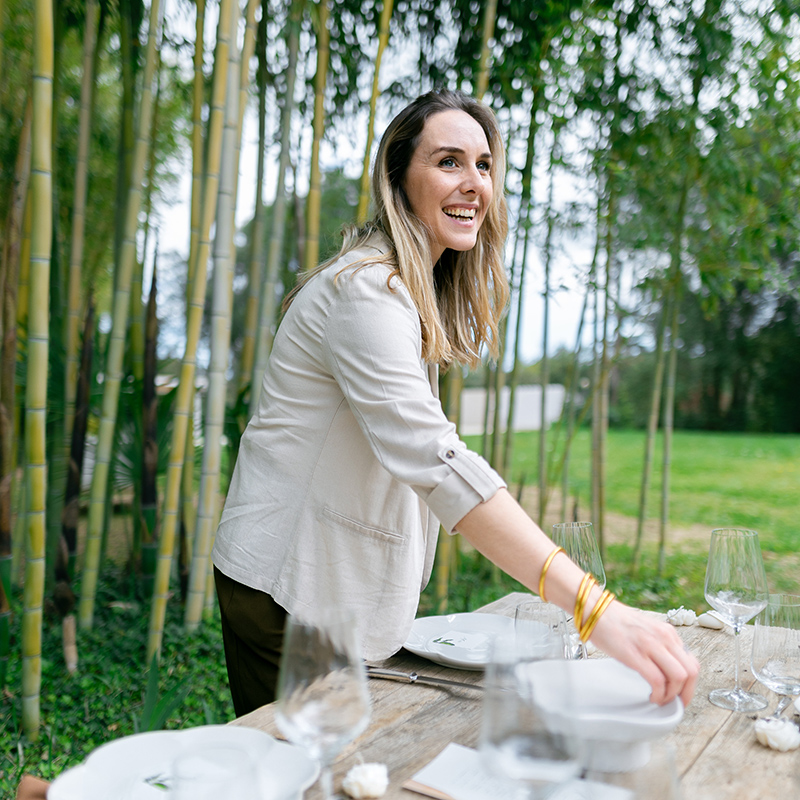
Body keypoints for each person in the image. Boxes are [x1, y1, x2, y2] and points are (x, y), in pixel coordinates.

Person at [212, 89, 699, 717]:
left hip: (332, 591)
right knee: (304, 779)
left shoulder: (407, 293)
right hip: (286, 588)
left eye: (484, 164)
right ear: (397, 179)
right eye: (448, 162)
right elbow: (437, 460)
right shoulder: (365, 292)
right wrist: (594, 608)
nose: (473, 183)